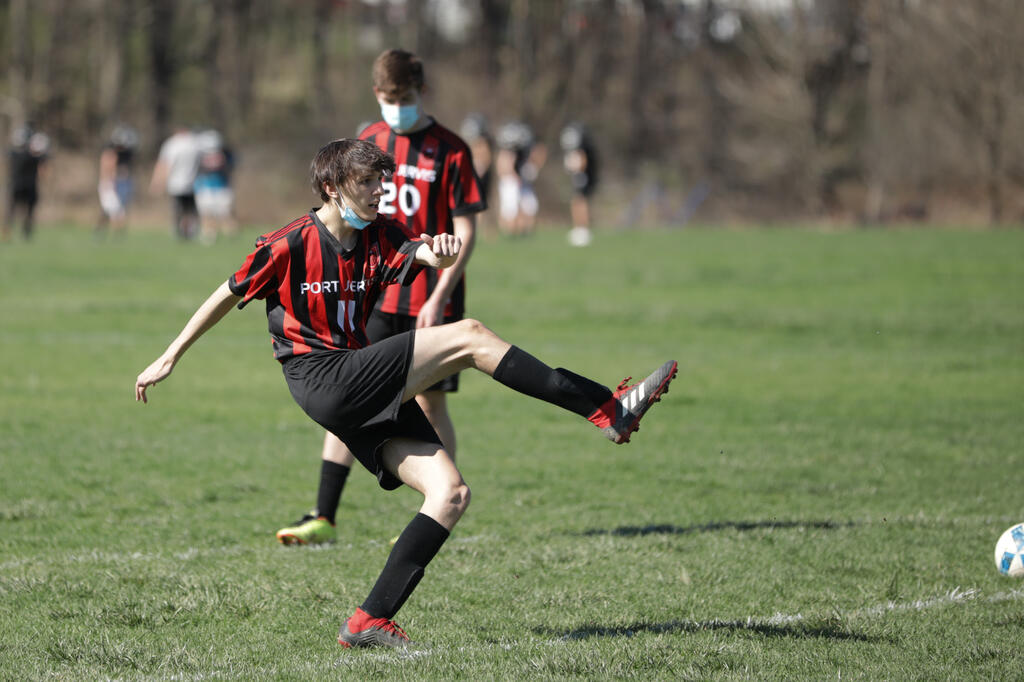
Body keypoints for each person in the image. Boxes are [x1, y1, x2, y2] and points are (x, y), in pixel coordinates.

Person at [134, 138, 676, 649]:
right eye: (367, 182)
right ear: (331, 187)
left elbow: (424, 255)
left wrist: (441, 254)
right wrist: (171, 354)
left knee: (450, 494)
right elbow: (226, 293)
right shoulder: (289, 243)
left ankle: (369, 620)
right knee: (470, 335)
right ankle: (607, 409)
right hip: (320, 378)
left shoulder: (381, 233)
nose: (379, 191)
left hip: (354, 379)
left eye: (382, 181)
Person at [275, 48, 487, 546]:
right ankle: (323, 515)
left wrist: (439, 293)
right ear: (376, 95)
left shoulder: (452, 150)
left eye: (404, 97)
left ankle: (432, 513)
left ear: (421, 92)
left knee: (430, 402)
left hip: (430, 296)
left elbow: (466, 230)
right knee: (350, 398)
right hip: (371, 297)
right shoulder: (368, 140)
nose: (397, 107)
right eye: (388, 99)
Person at [495, 121, 546, 237]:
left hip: (520, 182)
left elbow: (540, 153)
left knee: (529, 208)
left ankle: (523, 234)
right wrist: (515, 177)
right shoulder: (507, 152)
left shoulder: (523, 152)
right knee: (510, 212)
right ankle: (509, 234)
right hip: (511, 183)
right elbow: (504, 168)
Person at [149, 125, 201, 240]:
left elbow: (164, 164)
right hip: (192, 183)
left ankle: (180, 231)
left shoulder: (172, 144)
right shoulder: (195, 143)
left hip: (176, 183)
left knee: (178, 209)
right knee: (189, 209)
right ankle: (189, 231)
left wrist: (157, 182)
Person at [3, 124, 49, 241]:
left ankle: (7, 232)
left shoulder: (12, 153)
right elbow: (42, 171)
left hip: (15, 185)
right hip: (29, 186)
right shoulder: (34, 156)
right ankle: (25, 234)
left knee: (11, 210)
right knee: (28, 211)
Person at [193, 129, 237, 244]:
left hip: (222, 187)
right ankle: (209, 235)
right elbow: (196, 170)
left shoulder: (226, 154)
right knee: (207, 214)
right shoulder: (199, 155)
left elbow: (230, 167)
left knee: (225, 214)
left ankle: (231, 236)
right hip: (205, 188)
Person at [560, 122, 599, 247]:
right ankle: (579, 227)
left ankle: (583, 229)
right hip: (580, 176)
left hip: (582, 177)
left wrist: (576, 170)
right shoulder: (580, 148)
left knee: (579, 201)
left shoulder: (583, 149)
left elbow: (581, 162)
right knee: (577, 200)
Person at [96, 124, 139, 237]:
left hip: (122, 183)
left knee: (119, 210)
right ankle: (114, 234)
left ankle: (115, 234)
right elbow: (107, 168)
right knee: (114, 210)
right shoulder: (110, 152)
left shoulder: (127, 153)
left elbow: (128, 169)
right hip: (110, 183)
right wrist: (109, 181)